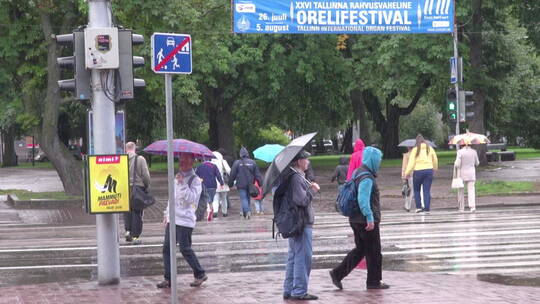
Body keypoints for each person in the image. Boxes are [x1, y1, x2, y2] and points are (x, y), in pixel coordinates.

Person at [329, 146, 390, 290]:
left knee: (361, 250)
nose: (379, 162)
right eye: (378, 160)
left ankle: (337, 274)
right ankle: (374, 282)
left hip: (355, 219)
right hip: (365, 221)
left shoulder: (358, 172)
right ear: (373, 160)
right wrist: (369, 217)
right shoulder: (367, 178)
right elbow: (363, 199)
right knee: (374, 251)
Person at [157, 153, 207, 289]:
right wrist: (166, 214)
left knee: (185, 248)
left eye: (185, 159)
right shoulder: (177, 177)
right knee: (167, 249)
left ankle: (200, 273)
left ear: (192, 161)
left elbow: (192, 199)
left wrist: (182, 184)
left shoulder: (196, 180)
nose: (182, 162)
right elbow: (171, 198)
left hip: (185, 220)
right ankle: (168, 278)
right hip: (173, 219)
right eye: (181, 159)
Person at [280, 150, 320, 300]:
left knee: (294, 256)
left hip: (296, 222)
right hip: (301, 222)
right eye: (306, 159)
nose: (308, 162)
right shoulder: (296, 178)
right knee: (303, 257)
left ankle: (289, 289)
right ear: (299, 162)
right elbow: (301, 200)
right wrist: (313, 191)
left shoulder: (294, 176)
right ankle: (299, 291)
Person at [124, 141, 151, 245]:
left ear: (126, 149)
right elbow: (146, 176)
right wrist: (147, 186)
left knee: (127, 211)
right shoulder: (140, 159)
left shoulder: (122, 160)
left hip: (125, 188)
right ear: (134, 148)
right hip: (138, 188)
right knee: (137, 212)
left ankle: (128, 231)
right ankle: (135, 236)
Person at [404, 134, 438, 214]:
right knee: (426, 190)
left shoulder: (415, 150)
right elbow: (435, 159)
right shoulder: (430, 148)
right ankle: (427, 208)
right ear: (424, 141)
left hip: (418, 171)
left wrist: (407, 173)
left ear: (416, 142)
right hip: (429, 170)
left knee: (416, 190)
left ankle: (418, 207)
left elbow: (411, 163)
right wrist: (434, 169)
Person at [228, 147, 262, 219]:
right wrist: (260, 183)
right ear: (247, 154)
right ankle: (246, 212)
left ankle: (247, 212)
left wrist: (230, 183)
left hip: (240, 184)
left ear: (240, 154)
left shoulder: (237, 163)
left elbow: (232, 174)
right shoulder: (253, 162)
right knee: (247, 198)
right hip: (250, 184)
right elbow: (257, 174)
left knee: (243, 198)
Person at [454, 141, 480, 212]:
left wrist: (456, 162)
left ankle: (461, 207)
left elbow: (457, 164)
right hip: (471, 174)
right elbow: (477, 163)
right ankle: (472, 207)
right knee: (471, 190)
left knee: (461, 191)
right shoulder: (474, 151)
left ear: (462, 144)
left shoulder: (460, 152)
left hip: (461, 174)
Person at [211, 151, 231, 217]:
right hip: (223, 182)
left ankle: (215, 211)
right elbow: (228, 170)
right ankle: (224, 212)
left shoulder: (210, 162)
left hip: (213, 182)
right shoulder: (223, 161)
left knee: (215, 198)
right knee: (223, 198)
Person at [401, 147, 414, 212]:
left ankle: (407, 206)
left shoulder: (406, 155)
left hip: (409, 174)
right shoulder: (417, 155)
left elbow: (404, 166)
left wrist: (403, 176)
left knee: (409, 191)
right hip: (417, 173)